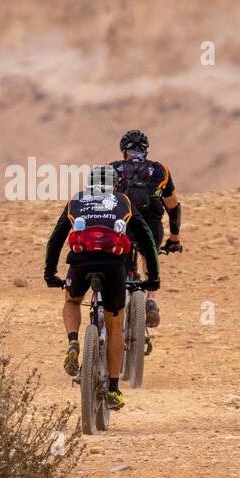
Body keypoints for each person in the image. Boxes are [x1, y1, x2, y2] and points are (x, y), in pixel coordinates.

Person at [44, 164, 160, 411]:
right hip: (113, 266)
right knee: (114, 324)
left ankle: (74, 342)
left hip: (81, 263)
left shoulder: (77, 200)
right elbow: (147, 240)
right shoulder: (123, 201)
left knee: (72, 301)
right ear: (115, 185)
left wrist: (50, 274)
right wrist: (154, 279)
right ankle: (114, 389)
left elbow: (55, 239)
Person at [109, 129, 180, 329]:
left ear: (124, 151)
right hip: (150, 226)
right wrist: (175, 238)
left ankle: (113, 299)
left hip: (121, 224)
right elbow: (173, 207)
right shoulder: (160, 171)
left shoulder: (112, 169)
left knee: (117, 260)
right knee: (150, 254)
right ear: (146, 151)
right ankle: (151, 299)